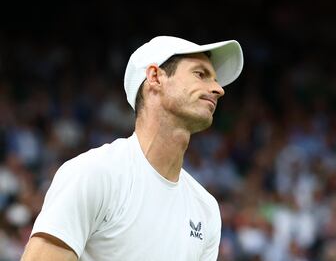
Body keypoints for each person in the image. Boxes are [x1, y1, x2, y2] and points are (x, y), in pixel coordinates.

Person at [21, 36, 243, 261]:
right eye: (200, 74)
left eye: (214, 79)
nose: (218, 89)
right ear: (155, 77)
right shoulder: (95, 173)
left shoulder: (206, 209)